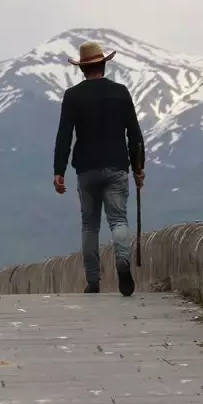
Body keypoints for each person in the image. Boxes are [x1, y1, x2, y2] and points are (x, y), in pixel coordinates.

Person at [52, 41, 145, 296]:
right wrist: (139, 168)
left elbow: (64, 136)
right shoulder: (121, 92)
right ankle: (122, 261)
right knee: (118, 219)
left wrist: (58, 171)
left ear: (82, 69)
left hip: (86, 169)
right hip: (116, 166)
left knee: (89, 225)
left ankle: (93, 281)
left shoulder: (73, 96)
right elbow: (135, 136)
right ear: (104, 64)